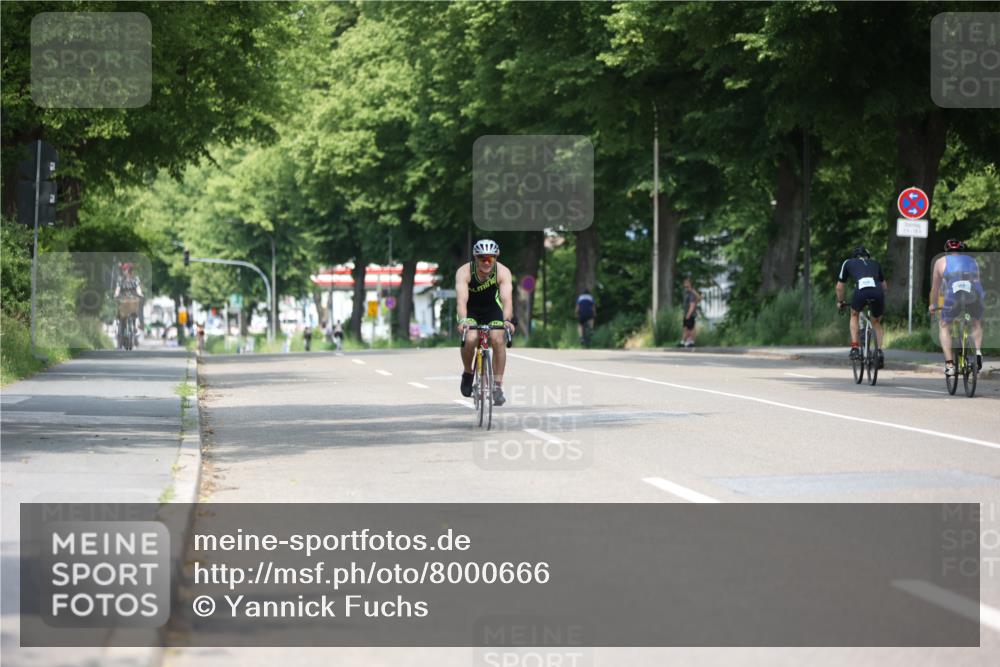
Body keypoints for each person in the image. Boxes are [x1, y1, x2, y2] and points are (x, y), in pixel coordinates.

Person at [455, 239, 515, 405]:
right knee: (471, 338)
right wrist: (463, 320)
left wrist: (507, 321)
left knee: (497, 338)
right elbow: (461, 300)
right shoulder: (464, 272)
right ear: (476, 258)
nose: (487, 263)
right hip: (470, 310)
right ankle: (468, 373)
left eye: (490, 259)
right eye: (483, 259)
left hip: (492, 309)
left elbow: (507, 300)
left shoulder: (503, 272)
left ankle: (497, 386)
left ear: (496, 258)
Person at [929, 239, 984, 375]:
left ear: (946, 251)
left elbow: (935, 288)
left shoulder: (940, 261)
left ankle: (949, 365)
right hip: (973, 293)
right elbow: (978, 282)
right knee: (976, 322)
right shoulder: (973, 261)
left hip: (954, 295)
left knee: (944, 325)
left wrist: (933, 304)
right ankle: (977, 353)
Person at [836, 245, 886, 368]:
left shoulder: (848, 263)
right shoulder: (875, 263)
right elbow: (885, 286)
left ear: (854, 257)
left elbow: (839, 287)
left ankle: (855, 348)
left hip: (861, 290)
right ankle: (879, 352)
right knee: (876, 322)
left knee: (854, 314)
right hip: (877, 291)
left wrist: (841, 301)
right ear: (867, 256)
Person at [114, 263, 143, 348]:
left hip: (133, 299)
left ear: (129, 270)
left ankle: (135, 327)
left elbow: (138, 288)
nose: (123, 271)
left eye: (125, 270)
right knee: (121, 317)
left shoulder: (135, 279)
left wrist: (140, 293)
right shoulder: (120, 279)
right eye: (123, 270)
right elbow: (118, 288)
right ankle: (120, 336)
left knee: (135, 310)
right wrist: (116, 294)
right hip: (123, 299)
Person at [681, 276, 701, 348]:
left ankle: (690, 341)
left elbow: (695, 302)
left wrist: (689, 314)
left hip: (690, 313)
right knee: (686, 327)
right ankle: (685, 341)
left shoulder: (692, 292)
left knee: (690, 328)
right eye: (684, 282)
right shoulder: (685, 292)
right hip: (686, 312)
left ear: (690, 283)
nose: (685, 284)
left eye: (687, 283)